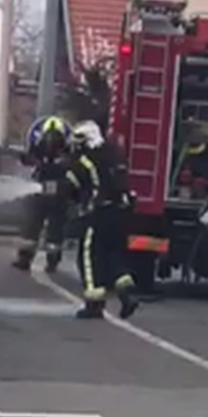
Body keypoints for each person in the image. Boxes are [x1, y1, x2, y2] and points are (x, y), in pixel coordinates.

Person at [63, 120, 138, 321]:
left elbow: (69, 187)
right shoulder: (114, 156)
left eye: (78, 141)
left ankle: (94, 304)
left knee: (88, 256)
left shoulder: (84, 161)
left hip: (97, 214)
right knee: (114, 254)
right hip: (120, 212)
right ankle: (127, 294)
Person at [13, 115, 72, 273]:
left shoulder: (65, 156)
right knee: (40, 226)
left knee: (42, 226)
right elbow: (26, 159)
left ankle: (35, 258)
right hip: (46, 191)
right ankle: (36, 258)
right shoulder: (44, 152)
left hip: (51, 192)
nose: (51, 144)